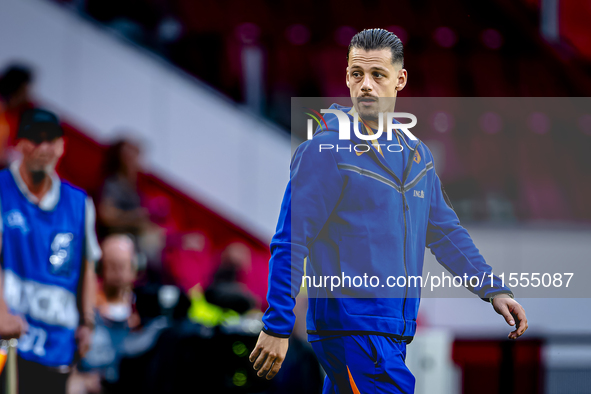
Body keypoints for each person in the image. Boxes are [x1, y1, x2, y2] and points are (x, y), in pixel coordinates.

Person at [250, 29, 529, 393]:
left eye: (377, 75)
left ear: (400, 80)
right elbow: (291, 241)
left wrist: (493, 289)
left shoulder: (417, 155)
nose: (365, 85)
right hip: (353, 330)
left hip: (391, 333)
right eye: (356, 74)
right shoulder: (325, 151)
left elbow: (444, 231)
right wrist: (277, 325)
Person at [0, 108, 101, 394]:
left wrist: (87, 322)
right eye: (35, 139)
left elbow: (88, 268)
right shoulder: (1, 189)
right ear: (20, 145)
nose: (43, 147)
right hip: (7, 342)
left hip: (57, 346)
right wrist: (0, 312)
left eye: (50, 140)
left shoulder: (79, 203)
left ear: (61, 146)